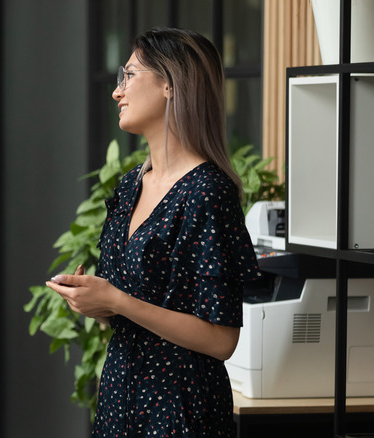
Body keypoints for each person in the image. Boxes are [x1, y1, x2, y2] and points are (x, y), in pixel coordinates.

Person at [46, 28, 259, 437]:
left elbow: (221, 340)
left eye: (129, 76)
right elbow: (124, 308)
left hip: (181, 408)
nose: (117, 92)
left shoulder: (208, 192)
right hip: (119, 396)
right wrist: (97, 303)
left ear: (169, 84)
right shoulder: (129, 187)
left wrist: (118, 301)